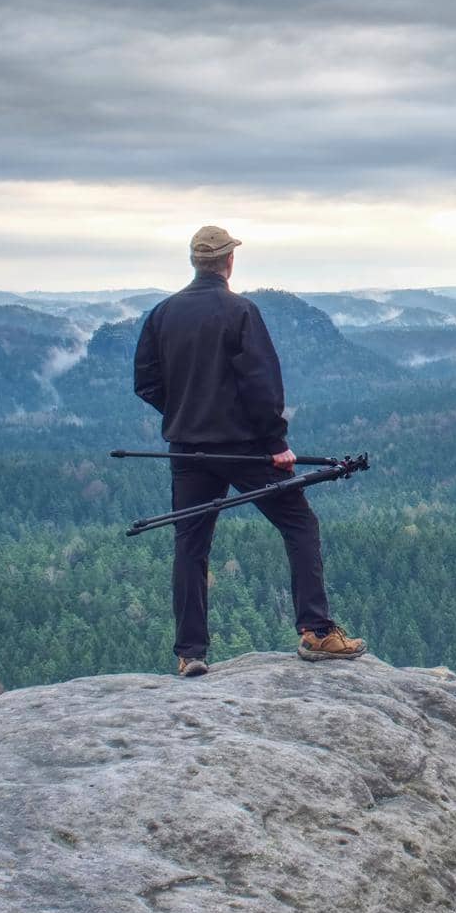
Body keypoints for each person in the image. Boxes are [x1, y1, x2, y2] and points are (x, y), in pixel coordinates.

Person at [133, 225, 366, 675]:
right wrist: (276, 443)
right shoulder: (240, 311)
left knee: (191, 544)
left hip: (186, 450)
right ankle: (316, 632)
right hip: (245, 449)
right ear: (229, 262)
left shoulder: (162, 315)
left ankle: (190, 654)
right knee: (299, 523)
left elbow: (145, 382)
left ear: (195, 262)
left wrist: (182, 409)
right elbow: (261, 385)